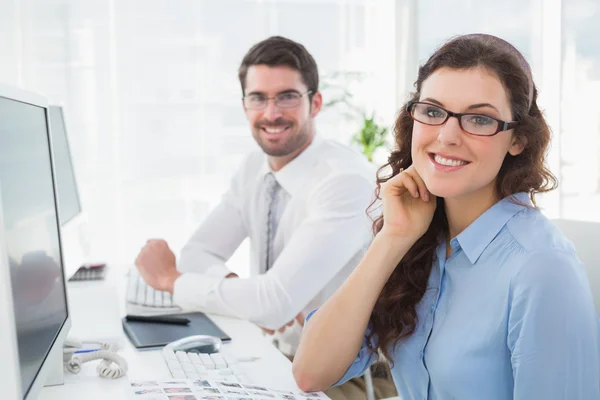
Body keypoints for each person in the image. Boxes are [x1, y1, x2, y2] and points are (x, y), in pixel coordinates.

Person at [292, 33, 600, 399]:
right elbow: (311, 372)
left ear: (518, 139)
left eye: (479, 119)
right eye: (433, 112)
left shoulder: (542, 269)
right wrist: (393, 238)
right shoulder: (421, 239)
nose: (447, 136)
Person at [134, 36, 377, 358]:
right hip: (272, 352)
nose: (271, 113)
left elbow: (273, 304)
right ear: (245, 105)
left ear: (315, 103)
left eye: (287, 97)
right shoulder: (253, 167)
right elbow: (197, 253)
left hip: (343, 374)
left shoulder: (345, 181)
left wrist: (169, 279)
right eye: (258, 98)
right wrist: (248, 294)